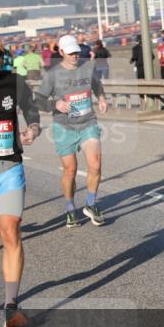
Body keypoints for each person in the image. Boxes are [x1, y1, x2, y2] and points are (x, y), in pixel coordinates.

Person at [0, 32, 41, 327]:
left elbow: (32, 111)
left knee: (11, 232)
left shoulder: (14, 82)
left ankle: (11, 307)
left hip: (9, 168)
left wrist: (33, 129)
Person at [36, 35, 108, 228]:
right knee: (71, 170)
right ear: (61, 52)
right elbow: (39, 100)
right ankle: (70, 208)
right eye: (70, 53)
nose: (75, 56)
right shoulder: (52, 74)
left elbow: (97, 85)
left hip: (88, 123)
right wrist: (55, 104)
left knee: (95, 165)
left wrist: (101, 98)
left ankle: (91, 205)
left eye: (76, 52)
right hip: (64, 127)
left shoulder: (87, 68)